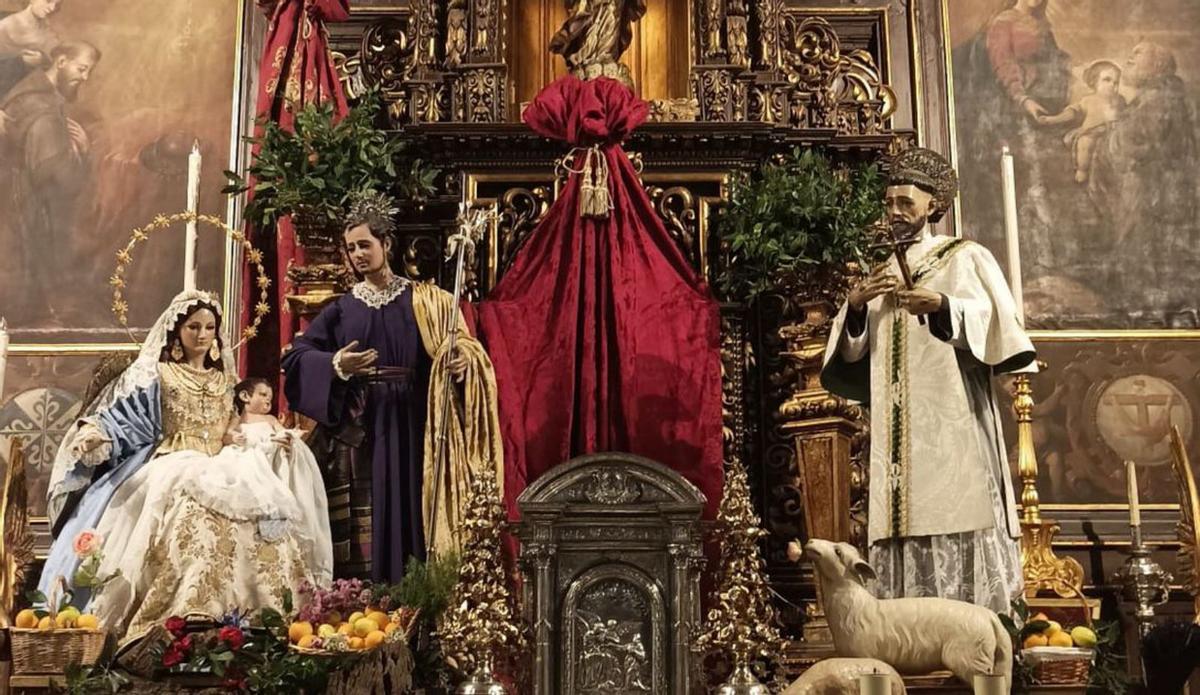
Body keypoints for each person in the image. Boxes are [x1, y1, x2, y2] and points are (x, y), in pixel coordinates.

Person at [42, 291, 332, 642]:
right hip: (172, 462)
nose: (202, 334)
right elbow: (129, 417)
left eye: (210, 327)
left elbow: (235, 427)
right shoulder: (159, 374)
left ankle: (260, 619)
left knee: (262, 519)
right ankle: (182, 617)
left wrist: (272, 439)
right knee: (190, 517)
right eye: (193, 326)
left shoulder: (225, 380)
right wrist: (97, 434)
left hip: (222, 463)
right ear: (177, 330)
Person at [821, 147, 1036, 614]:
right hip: (898, 434)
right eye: (890, 201)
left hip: (955, 420)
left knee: (958, 506)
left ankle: (975, 625)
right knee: (903, 517)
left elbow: (995, 320)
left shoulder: (963, 257)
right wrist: (856, 306)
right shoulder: (878, 271)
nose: (895, 211)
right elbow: (854, 353)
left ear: (933, 205)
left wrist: (943, 306)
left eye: (906, 202)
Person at [281, 190, 503, 582]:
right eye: (351, 248)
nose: (358, 255)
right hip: (366, 426)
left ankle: (424, 597)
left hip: (419, 422)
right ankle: (375, 605)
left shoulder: (427, 300)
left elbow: (465, 347)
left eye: (365, 244)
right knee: (372, 514)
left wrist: (461, 361)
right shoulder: (342, 308)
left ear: (386, 243)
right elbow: (296, 357)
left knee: (418, 507)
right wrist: (336, 365)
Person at [1, 40, 98, 323]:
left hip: (18, 201)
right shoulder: (42, 107)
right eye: (82, 69)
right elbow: (57, 177)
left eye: (89, 71)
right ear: (61, 62)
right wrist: (82, 153)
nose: (85, 78)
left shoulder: (31, 95)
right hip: (22, 206)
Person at [1035, 60, 1126, 184]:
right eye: (1107, 80)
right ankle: (1082, 169)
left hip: (1113, 133)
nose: (1112, 85)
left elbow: (1127, 115)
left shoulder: (1120, 100)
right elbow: (1073, 112)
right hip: (1091, 132)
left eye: (1116, 82)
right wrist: (1053, 119)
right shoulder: (1088, 100)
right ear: (1093, 82)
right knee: (1085, 143)